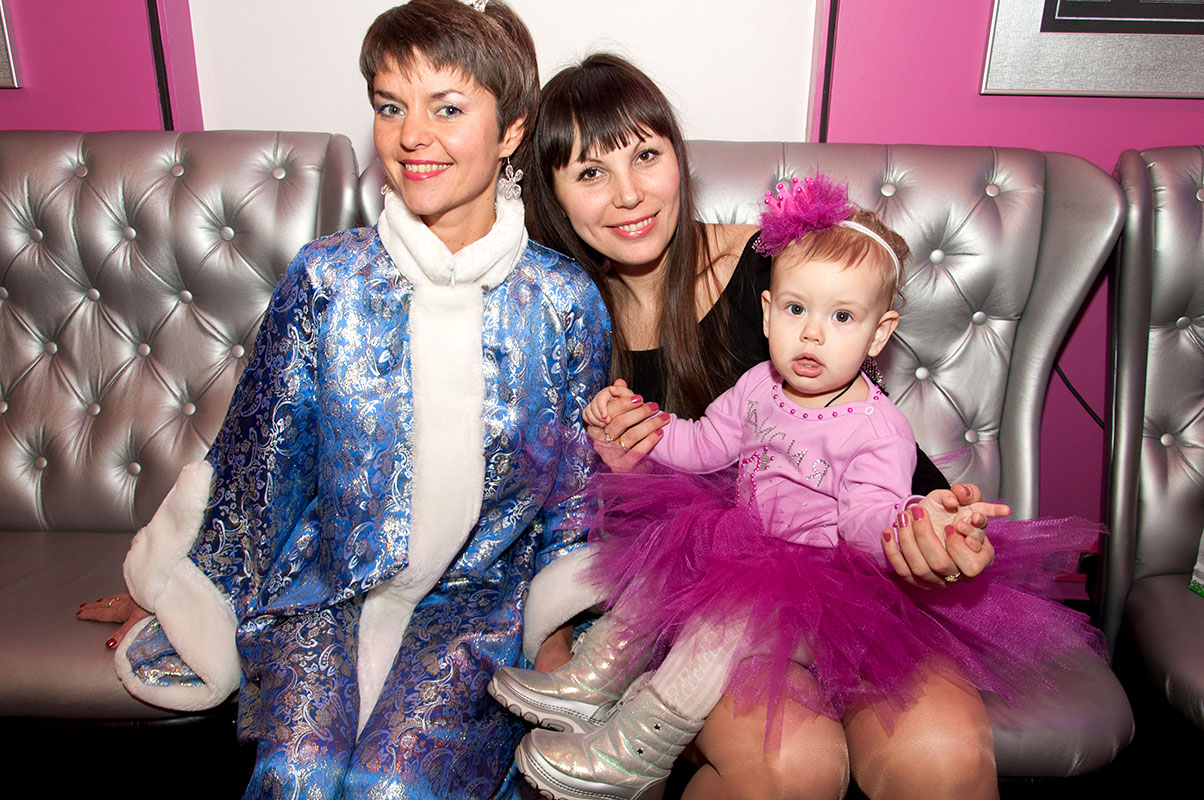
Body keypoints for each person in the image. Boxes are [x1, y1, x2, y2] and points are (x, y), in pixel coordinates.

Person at [78, 2, 609, 798]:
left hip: (478, 609)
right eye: (391, 107)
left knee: (392, 785)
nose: (412, 135)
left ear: (510, 131)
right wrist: (183, 590)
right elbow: (260, 462)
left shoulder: (565, 302)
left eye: (447, 109)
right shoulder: (326, 278)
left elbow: (576, 493)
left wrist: (557, 626)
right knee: (296, 775)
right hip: (325, 593)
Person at [501, 54, 1012, 800]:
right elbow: (540, 508)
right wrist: (619, 472)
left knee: (943, 755)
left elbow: (868, 449)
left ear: (679, 157)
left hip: (857, 572)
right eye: (590, 172)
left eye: (646, 155)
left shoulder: (778, 270)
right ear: (550, 191)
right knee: (789, 767)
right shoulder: (551, 314)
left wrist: (930, 531)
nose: (629, 193)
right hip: (689, 606)